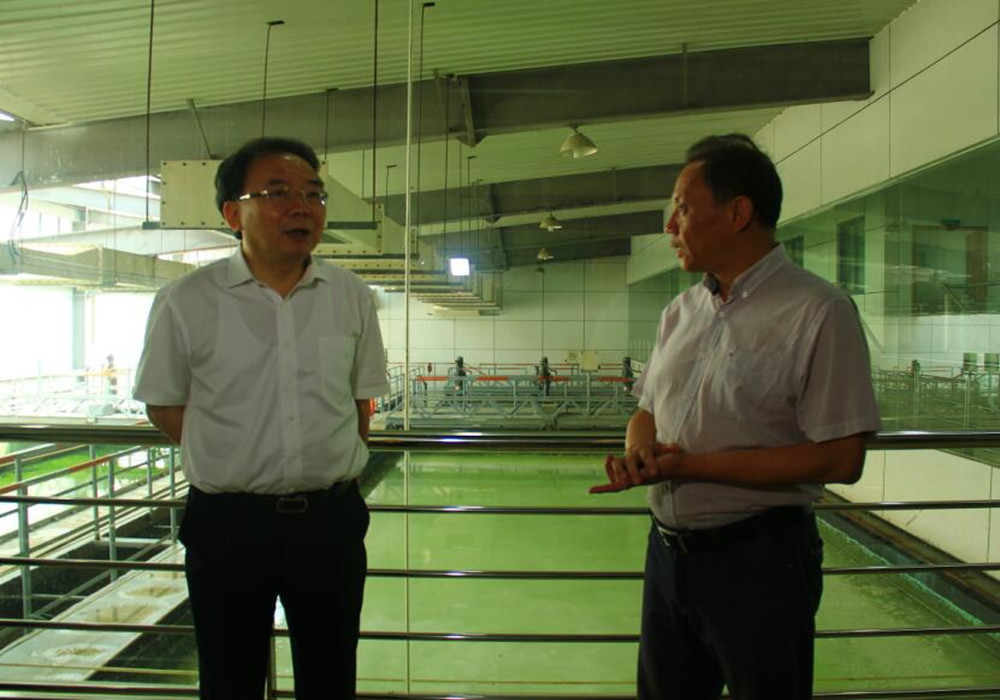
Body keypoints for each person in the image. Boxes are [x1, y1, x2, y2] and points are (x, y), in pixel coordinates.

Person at [591, 134, 881, 700]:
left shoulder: (819, 311)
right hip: (667, 555)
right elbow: (647, 409)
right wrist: (638, 452)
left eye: (682, 208)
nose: (670, 227)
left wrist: (690, 467)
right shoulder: (680, 311)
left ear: (738, 212)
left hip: (761, 562)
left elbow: (842, 459)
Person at [133, 137, 388, 700]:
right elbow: (163, 403)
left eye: (314, 194)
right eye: (278, 193)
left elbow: (359, 402)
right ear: (233, 213)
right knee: (229, 678)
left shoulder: (351, 296)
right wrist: (234, 455)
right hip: (228, 524)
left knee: (331, 677)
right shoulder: (186, 300)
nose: (303, 207)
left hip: (329, 523)